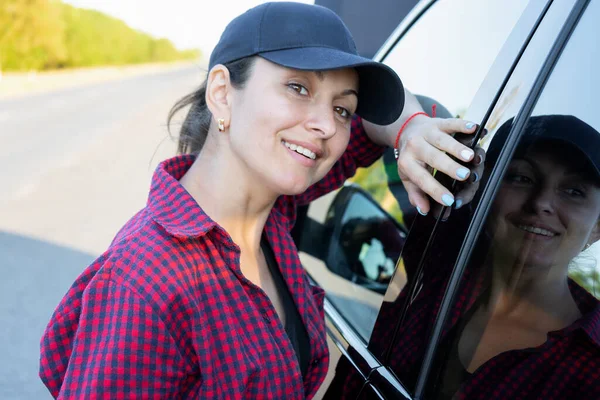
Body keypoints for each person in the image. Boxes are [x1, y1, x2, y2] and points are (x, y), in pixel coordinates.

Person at [38, 2, 479, 399]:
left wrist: (413, 129)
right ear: (222, 94)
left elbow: (372, 126)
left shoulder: (274, 213)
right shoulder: (147, 284)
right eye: (298, 88)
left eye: (341, 108)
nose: (326, 124)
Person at [327, 114, 600, 399]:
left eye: (573, 191)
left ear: (597, 227)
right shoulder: (446, 257)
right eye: (521, 177)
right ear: (482, 191)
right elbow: (381, 114)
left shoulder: (591, 367)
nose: (541, 202)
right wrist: (413, 129)